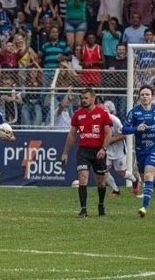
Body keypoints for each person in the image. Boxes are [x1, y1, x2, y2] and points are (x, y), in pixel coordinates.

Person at [60, 88, 112, 218]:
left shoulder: (103, 114)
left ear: (93, 98)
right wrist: (65, 152)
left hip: (98, 152)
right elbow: (72, 134)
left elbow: (108, 133)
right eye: (82, 98)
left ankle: (101, 204)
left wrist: (103, 149)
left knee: (101, 181)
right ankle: (83, 209)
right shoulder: (78, 114)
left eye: (86, 98)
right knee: (83, 178)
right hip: (83, 151)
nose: (83, 100)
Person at [122, 86, 155, 218]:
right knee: (146, 179)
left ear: (152, 97)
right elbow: (124, 129)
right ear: (139, 97)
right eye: (142, 94)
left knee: (148, 175)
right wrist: (136, 128)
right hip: (140, 150)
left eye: (147, 94)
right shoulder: (134, 112)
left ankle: (144, 207)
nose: (145, 97)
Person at [101, 100, 140, 197]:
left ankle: (135, 180)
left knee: (121, 172)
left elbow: (124, 135)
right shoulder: (97, 120)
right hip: (106, 149)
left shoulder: (115, 121)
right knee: (103, 170)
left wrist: (110, 140)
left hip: (119, 150)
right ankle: (116, 190)